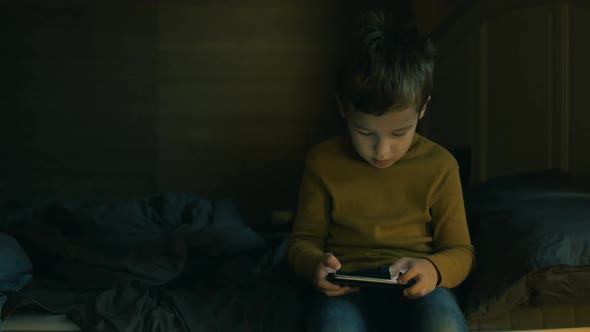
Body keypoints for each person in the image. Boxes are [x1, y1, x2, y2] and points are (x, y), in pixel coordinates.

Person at [287, 9, 475, 332]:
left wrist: (433, 269)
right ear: (343, 108)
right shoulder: (322, 162)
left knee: (442, 324)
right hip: (347, 287)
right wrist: (315, 265)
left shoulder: (441, 166)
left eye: (399, 133)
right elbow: (302, 242)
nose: (382, 150)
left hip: (419, 288)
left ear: (423, 108)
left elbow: (461, 251)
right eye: (365, 133)